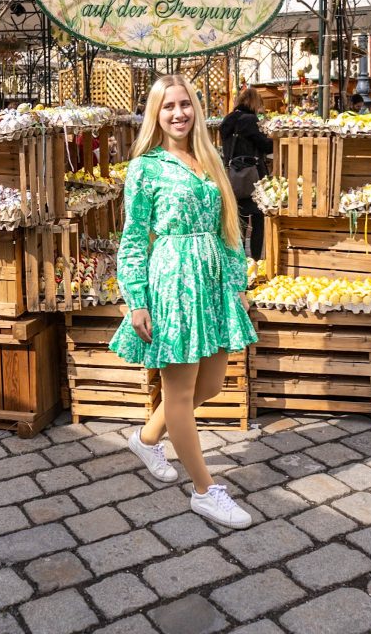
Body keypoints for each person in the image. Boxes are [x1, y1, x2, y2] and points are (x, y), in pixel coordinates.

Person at [110, 73, 257, 529]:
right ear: (156, 114)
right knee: (178, 391)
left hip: (210, 279)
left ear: (196, 108)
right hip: (172, 281)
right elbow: (133, 238)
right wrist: (136, 299)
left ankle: (148, 436)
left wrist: (237, 284)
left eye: (185, 104)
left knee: (210, 385)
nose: (178, 113)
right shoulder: (146, 167)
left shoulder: (207, 159)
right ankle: (204, 490)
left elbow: (228, 230)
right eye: (168, 106)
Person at [220, 87, 274, 260]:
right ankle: (256, 260)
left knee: (239, 219)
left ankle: (239, 260)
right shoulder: (249, 120)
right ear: (253, 102)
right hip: (253, 177)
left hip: (232, 178)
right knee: (258, 218)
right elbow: (266, 145)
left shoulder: (227, 120)